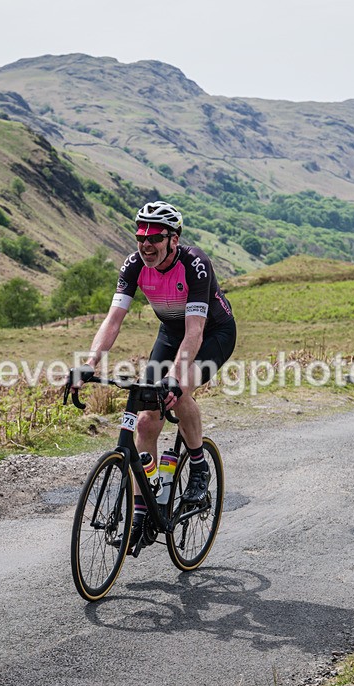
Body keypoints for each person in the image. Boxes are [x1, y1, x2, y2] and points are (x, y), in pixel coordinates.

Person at [74, 200, 237, 548]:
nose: (146, 245)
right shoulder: (134, 265)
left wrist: (175, 379)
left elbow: (195, 332)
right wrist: (89, 364)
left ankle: (198, 466)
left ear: (173, 240)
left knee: (180, 392)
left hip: (212, 334)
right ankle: (143, 511)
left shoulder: (196, 266)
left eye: (155, 239)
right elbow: (113, 320)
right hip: (170, 332)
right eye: (140, 238)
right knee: (147, 420)